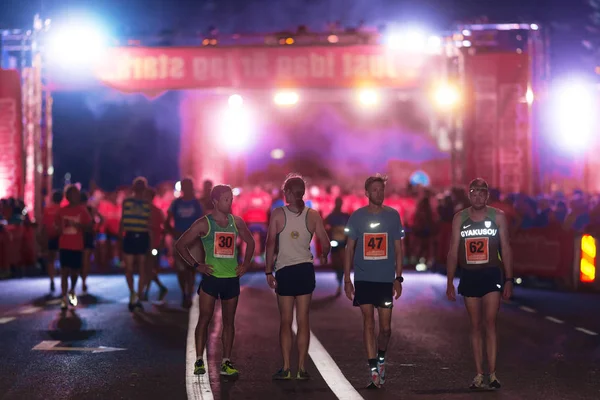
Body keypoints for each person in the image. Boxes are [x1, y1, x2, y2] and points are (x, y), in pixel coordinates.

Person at [175, 184, 255, 377]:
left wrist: (245, 265)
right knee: (204, 319)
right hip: (211, 279)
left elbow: (250, 242)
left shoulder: (236, 222)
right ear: (215, 201)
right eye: (226, 199)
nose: (230, 202)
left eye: (231, 199)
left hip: (231, 279)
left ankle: (226, 362)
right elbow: (181, 244)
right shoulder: (204, 223)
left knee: (229, 322)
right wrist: (197, 265)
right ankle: (199, 361)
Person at [446, 178, 513, 390]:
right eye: (474, 193)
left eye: (481, 193)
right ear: (469, 195)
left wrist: (509, 279)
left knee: (490, 322)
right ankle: (478, 374)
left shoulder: (498, 217)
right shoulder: (460, 218)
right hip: (469, 274)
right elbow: (453, 250)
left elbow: (506, 248)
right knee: (475, 325)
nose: (477, 197)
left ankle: (492, 374)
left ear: (487, 195)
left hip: (491, 273)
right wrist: (449, 281)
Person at [265, 174, 331, 380]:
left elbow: (269, 244)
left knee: (285, 322)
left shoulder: (278, 214)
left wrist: (268, 271)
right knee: (303, 321)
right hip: (304, 270)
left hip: (285, 271)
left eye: (285, 191)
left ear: (289, 193)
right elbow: (326, 242)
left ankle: (286, 368)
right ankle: (301, 368)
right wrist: (323, 254)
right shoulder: (313, 215)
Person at [343, 175, 405, 389]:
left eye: (382, 189)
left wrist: (398, 278)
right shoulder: (357, 217)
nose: (379, 193)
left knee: (386, 328)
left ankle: (380, 358)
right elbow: (349, 248)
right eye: (375, 190)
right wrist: (347, 279)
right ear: (367, 193)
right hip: (363, 278)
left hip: (385, 280)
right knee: (368, 322)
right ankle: (373, 371)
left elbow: (398, 249)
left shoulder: (393, 216)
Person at [55, 185, 93, 310]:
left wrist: (78, 225)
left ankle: (72, 290)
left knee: (75, 272)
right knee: (64, 272)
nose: (75, 197)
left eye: (76, 195)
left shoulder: (82, 211)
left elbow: (89, 227)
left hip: (77, 245)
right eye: (72, 195)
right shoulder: (62, 211)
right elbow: (56, 227)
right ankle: (64, 297)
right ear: (68, 197)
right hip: (64, 245)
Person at [166, 178, 203, 308]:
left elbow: (201, 220)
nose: (186, 189)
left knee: (191, 268)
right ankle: (184, 293)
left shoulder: (196, 203)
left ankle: (188, 293)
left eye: (188, 186)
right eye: (184, 186)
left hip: (193, 241)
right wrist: (173, 233)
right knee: (181, 269)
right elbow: (167, 221)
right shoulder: (175, 203)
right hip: (179, 240)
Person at [120, 177, 154, 312]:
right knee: (130, 268)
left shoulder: (147, 204)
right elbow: (123, 221)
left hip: (141, 236)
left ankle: (137, 295)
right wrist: (119, 237)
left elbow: (149, 223)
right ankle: (134, 293)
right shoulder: (127, 202)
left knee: (140, 268)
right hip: (131, 235)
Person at [143, 187, 168, 302]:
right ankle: (160, 287)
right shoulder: (143, 211)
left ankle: (146, 292)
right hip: (144, 244)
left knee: (148, 268)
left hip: (154, 245)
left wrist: (161, 240)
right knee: (147, 268)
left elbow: (165, 227)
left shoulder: (157, 211)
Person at [325, 196, 350, 296]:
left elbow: (351, 227)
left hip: (343, 242)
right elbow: (324, 224)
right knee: (335, 263)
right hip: (334, 242)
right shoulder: (331, 216)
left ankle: (341, 282)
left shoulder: (345, 216)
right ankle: (339, 278)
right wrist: (329, 230)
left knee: (342, 262)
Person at [42, 190, 63, 293]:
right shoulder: (62, 210)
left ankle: (52, 280)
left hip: (50, 237)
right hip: (62, 237)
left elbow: (44, 226)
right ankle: (63, 281)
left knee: (51, 260)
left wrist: (43, 239)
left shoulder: (47, 210)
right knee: (63, 260)